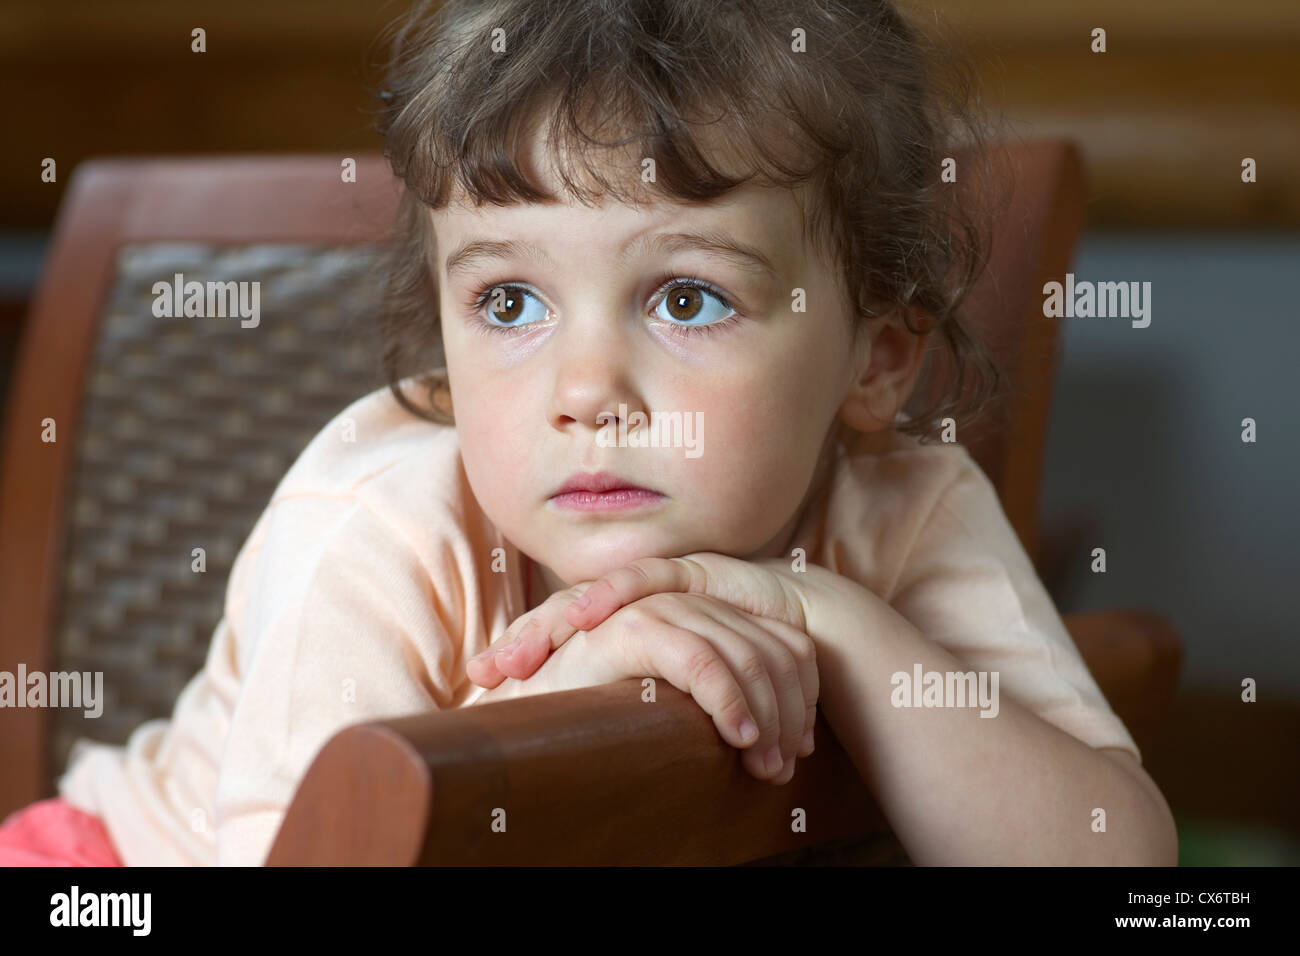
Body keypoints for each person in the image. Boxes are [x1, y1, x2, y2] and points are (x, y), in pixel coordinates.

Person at [1, 0, 1175, 866]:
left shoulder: (902, 504)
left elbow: (1108, 859)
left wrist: (830, 620)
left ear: (874, 358)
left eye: (686, 297)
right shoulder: (379, 528)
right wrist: (560, 707)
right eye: (509, 303)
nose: (584, 388)